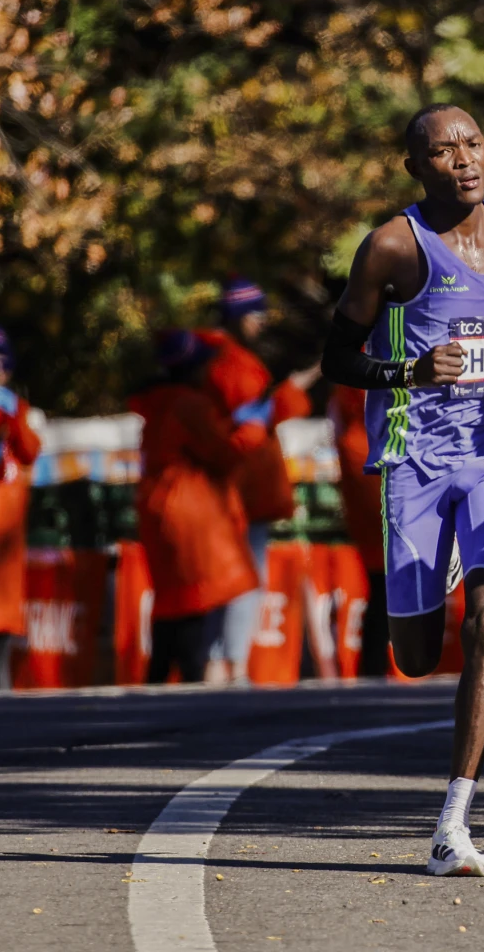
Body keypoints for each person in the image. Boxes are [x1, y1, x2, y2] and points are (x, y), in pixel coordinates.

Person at [321, 103, 484, 877]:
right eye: (442, 150)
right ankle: (444, 566)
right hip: (416, 456)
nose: (463, 159)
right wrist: (408, 370)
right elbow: (337, 356)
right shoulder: (394, 247)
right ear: (415, 166)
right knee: (417, 654)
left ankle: (453, 820)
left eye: (473, 144)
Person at [199, 279, 318, 684]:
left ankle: (223, 662)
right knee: (243, 579)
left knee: (233, 578)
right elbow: (252, 421)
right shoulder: (230, 363)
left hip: (236, 488)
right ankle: (228, 664)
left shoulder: (220, 359)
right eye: (255, 314)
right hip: (240, 489)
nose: (262, 322)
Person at [131, 330, 266, 684]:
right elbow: (225, 455)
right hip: (191, 517)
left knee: (171, 610)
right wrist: (254, 427)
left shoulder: (158, 404)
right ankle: (193, 686)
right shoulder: (191, 405)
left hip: (159, 512)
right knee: (197, 607)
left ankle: (158, 685)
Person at [0, 330, 40, 690]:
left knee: (0, 618)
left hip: (5, 530)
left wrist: (14, 415)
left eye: (4, 365)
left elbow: (30, 450)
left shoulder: (14, 407)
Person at [328, 384, 390, 676]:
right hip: (375, 490)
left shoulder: (350, 434)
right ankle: (374, 665)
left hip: (366, 490)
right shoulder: (361, 437)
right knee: (383, 584)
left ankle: (375, 665)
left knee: (380, 585)